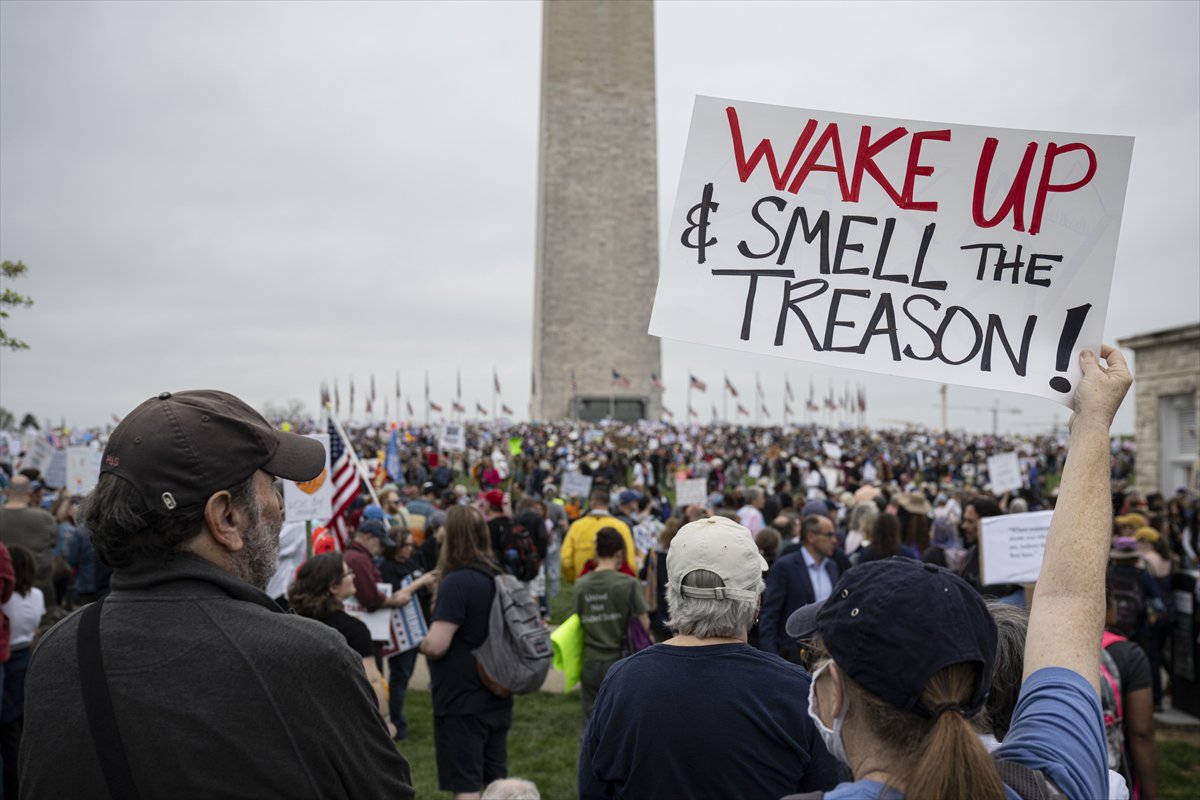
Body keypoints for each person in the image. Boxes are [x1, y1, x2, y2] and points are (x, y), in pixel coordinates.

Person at [18, 389, 414, 798]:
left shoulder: (57, 651)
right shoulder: (304, 658)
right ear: (225, 516)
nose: (280, 504)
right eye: (271, 485)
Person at [783, 345, 1131, 800]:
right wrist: (1093, 423)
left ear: (833, 694)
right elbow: (1069, 601)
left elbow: (1069, 601)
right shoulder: (1053, 784)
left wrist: (1093, 426)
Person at [578, 515, 842, 799]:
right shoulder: (798, 692)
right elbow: (830, 789)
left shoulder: (622, 683)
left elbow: (593, 789)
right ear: (755, 602)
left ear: (673, 597)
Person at [420, 505, 512, 800]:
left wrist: (418, 641)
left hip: (462, 700)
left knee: (467, 787)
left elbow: (437, 644)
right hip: (497, 693)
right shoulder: (497, 575)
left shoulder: (456, 582)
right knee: (497, 785)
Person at [287, 551, 397, 738]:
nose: (354, 576)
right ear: (333, 587)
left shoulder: (291, 621)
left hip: (300, 718)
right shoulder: (354, 630)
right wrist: (385, 721)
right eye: (348, 573)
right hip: (344, 722)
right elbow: (372, 680)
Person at [574, 528, 648, 719]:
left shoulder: (581, 584)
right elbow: (644, 623)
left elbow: (577, 621)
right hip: (620, 660)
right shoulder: (629, 584)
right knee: (619, 720)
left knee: (590, 719)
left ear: (597, 552)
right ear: (619, 553)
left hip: (590, 661)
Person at [380, 528, 437, 741]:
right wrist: (421, 581)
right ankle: (396, 724)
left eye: (412, 545)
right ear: (395, 545)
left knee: (406, 675)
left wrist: (429, 586)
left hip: (420, 625)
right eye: (406, 545)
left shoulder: (412, 562)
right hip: (402, 631)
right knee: (400, 677)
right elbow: (396, 596)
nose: (410, 549)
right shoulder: (387, 567)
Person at [759, 514, 840, 663]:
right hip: (794, 659)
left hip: (828, 658)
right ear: (811, 536)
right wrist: (772, 659)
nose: (834, 540)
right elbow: (769, 615)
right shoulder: (785, 567)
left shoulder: (832, 567)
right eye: (829, 534)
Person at [1, 545, 41, 798]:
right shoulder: (36, 594)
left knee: (7, 728)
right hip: (26, 654)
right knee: (20, 721)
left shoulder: (8, 601)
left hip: (9, 657)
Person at [560, 488, 637, 584]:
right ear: (609, 504)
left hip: (584, 583)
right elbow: (630, 561)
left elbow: (565, 560)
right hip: (615, 584)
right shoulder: (621, 527)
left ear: (591, 503)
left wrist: (574, 579)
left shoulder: (576, 526)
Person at [0, 476, 57, 601]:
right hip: (38, 588)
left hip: (4, 590)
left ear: (7, 492)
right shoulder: (45, 518)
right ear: (30, 493)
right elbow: (54, 543)